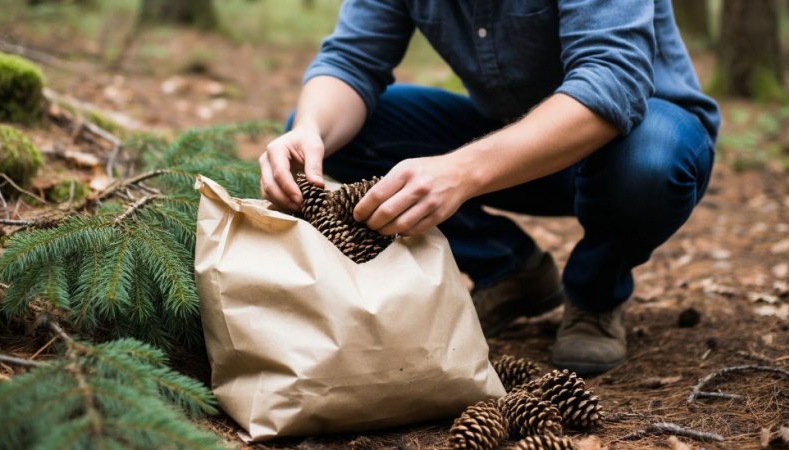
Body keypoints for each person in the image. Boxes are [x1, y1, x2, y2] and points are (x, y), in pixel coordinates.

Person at [259, 0, 720, 374]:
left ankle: (596, 294)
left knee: (650, 163)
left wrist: (460, 172)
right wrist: (312, 129)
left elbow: (611, 79)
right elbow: (352, 58)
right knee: (334, 134)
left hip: (636, 139)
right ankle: (510, 269)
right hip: (515, 145)